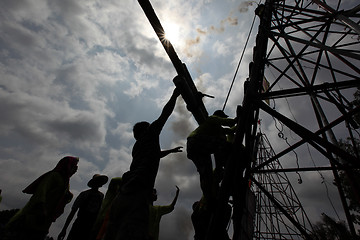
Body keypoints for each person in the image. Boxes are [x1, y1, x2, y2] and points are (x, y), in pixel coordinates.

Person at [104, 83, 181, 240]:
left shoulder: (137, 147)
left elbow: (155, 155)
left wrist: (170, 151)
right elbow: (165, 114)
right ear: (146, 129)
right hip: (138, 190)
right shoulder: (151, 133)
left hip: (124, 192)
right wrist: (175, 94)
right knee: (134, 232)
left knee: (114, 231)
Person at [1, 156, 79, 240]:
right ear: (67, 166)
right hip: (37, 215)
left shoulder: (66, 182)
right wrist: (41, 210)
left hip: (46, 219)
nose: (76, 169)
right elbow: (40, 193)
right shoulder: (53, 176)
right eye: (74, 166)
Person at [187, 110, 237, 206]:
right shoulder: (212, 119)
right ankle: (222, 164)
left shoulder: (218, 129)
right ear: (220, 117)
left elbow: (230, 130)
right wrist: (236, 120)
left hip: (196, 150)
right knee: (223, 144)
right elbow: (228, 123)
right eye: (224, 117)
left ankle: (209, 198)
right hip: (196, 141)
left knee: (206, 174)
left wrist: (237, 123)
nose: (224, 119)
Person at [58, 174, 108, 240]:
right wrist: (64, 229)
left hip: (90, 227)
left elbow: (98, 213)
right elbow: (73, 211)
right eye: (98, 181)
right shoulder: (84, 194)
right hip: (79, 225)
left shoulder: (101, 196)